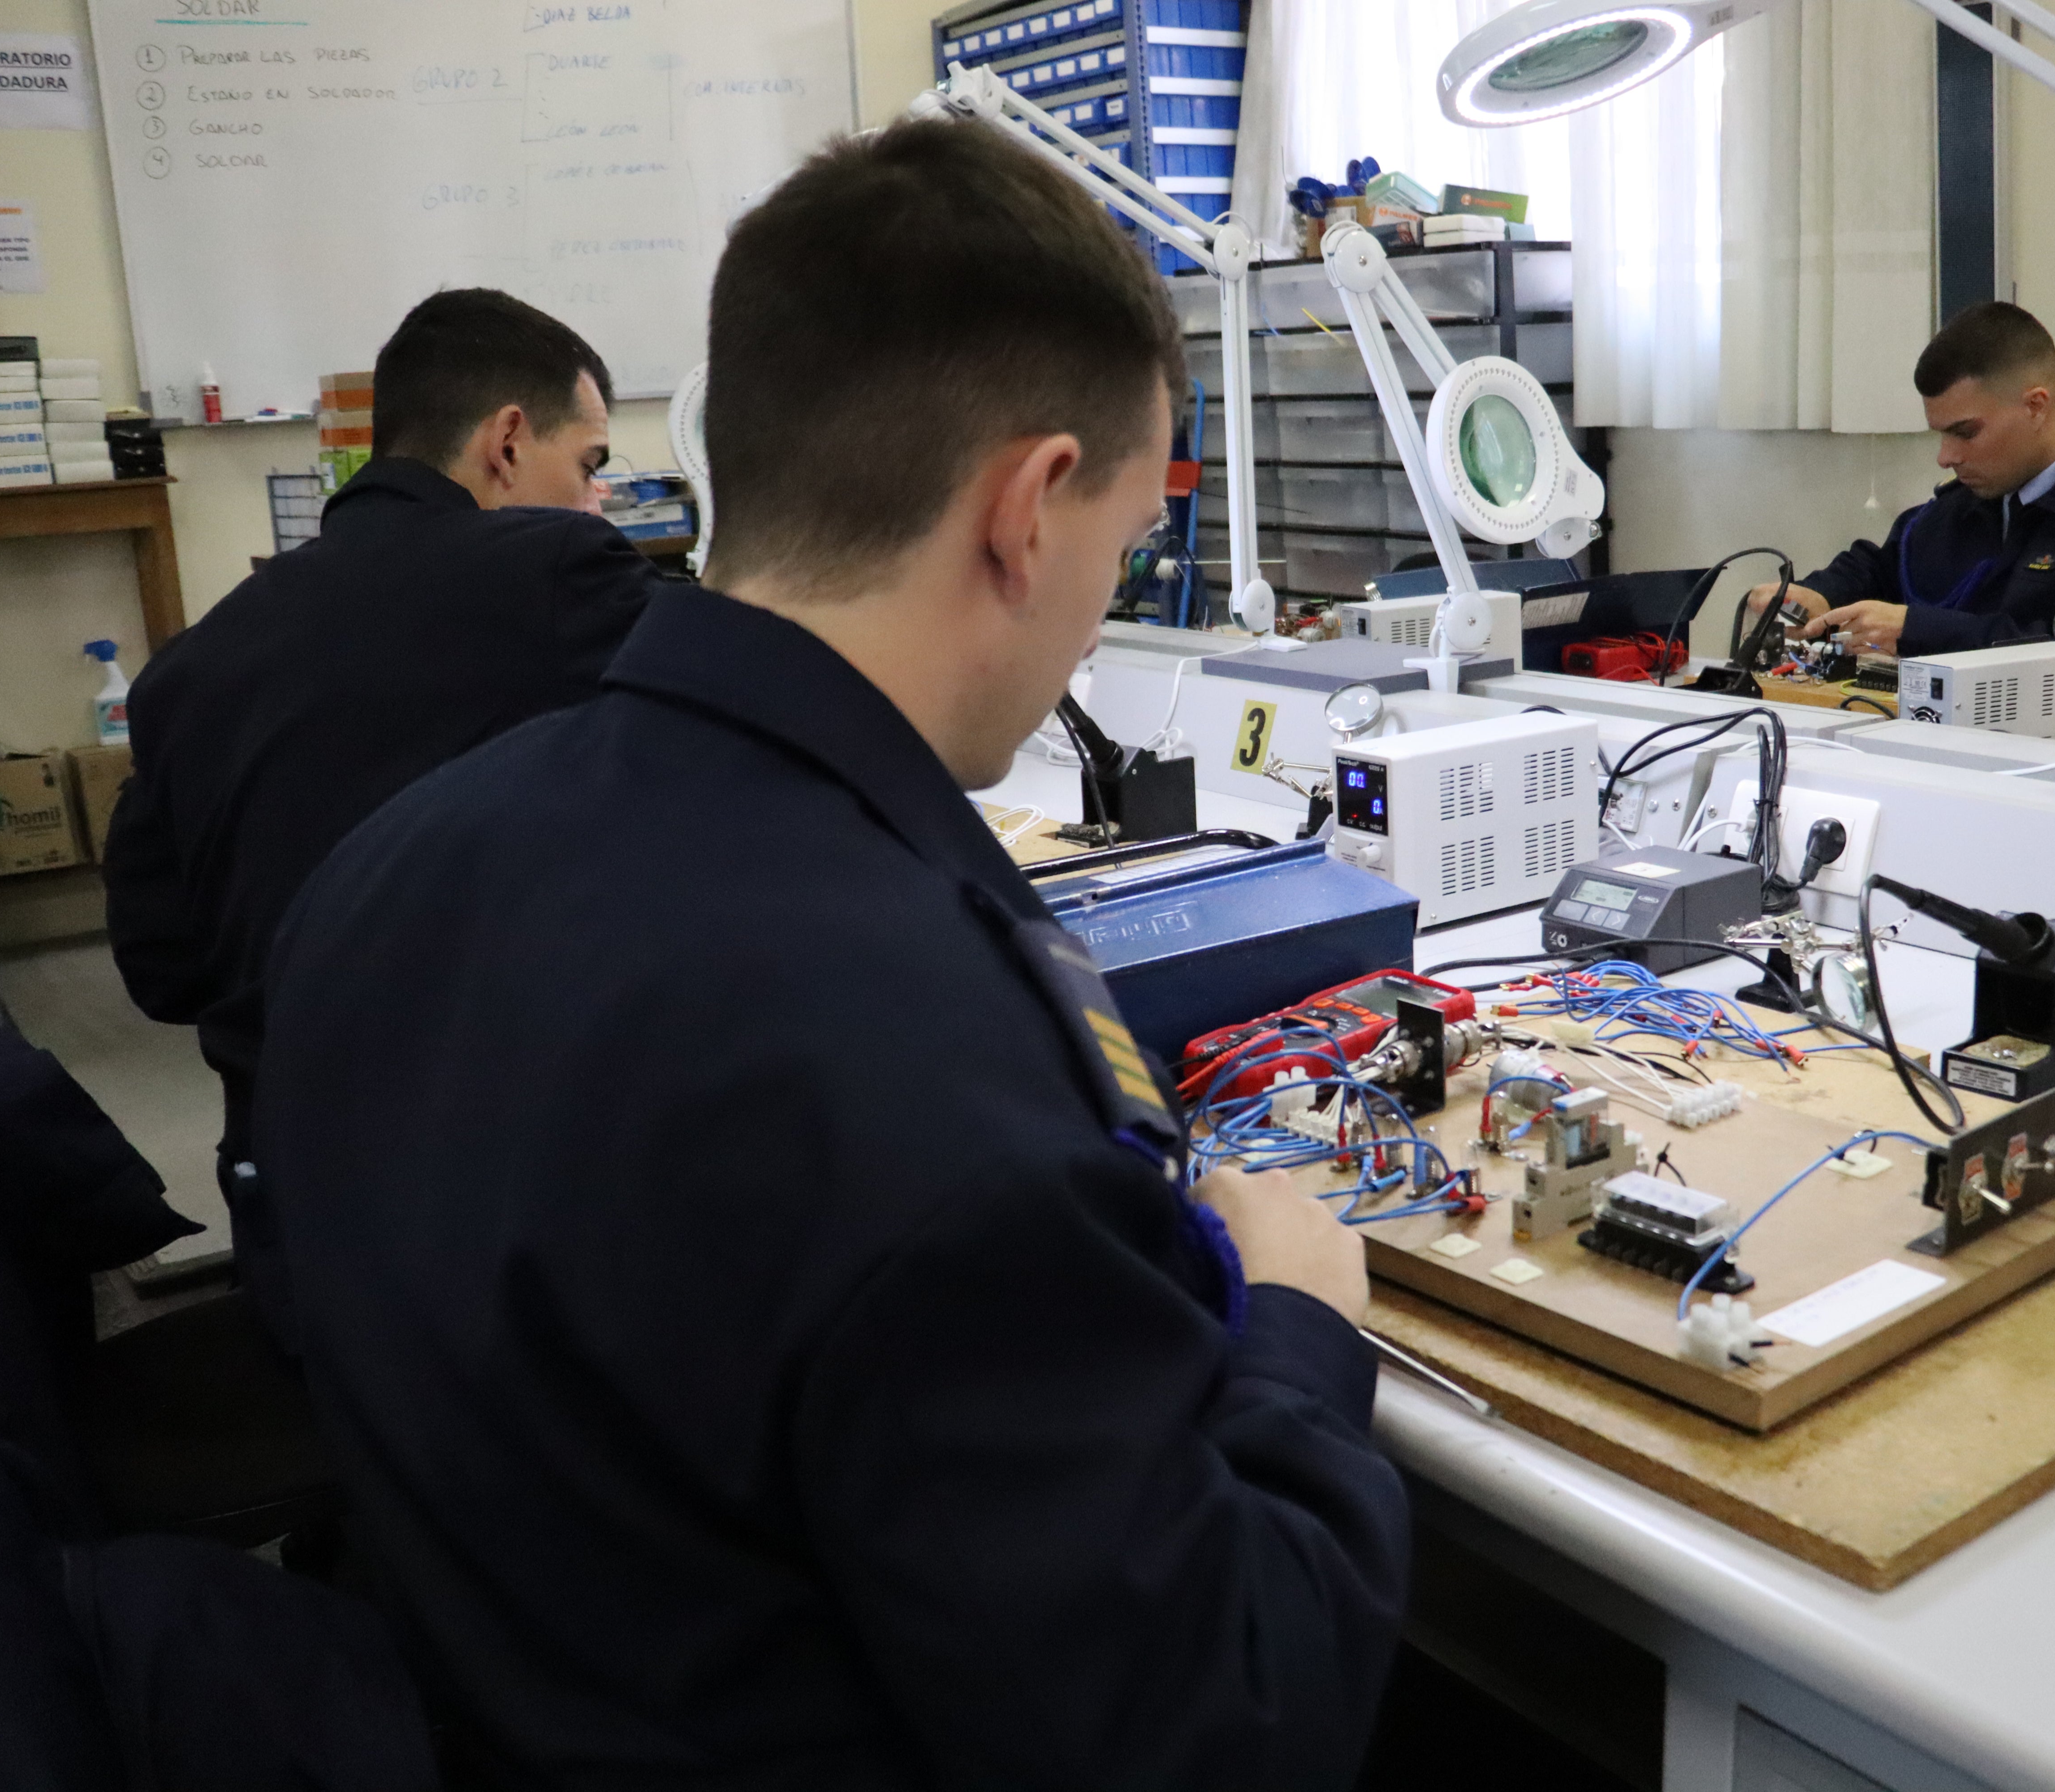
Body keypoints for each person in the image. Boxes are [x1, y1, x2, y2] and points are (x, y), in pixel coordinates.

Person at [253, 119, 1408, 1788]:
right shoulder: (924, 1071)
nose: (1106, 600)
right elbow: (1224, 1720)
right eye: (1128, 538)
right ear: (1025, 510)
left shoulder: (384, 870)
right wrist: (1303, 1329)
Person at [104, 288, 663, 1288]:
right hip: (512, 1221)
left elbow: (164, 970)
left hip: (293, 1226)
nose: (598, 503)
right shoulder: (555, 575)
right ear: (504, 443)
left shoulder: (189, 668)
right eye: (588, 467)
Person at [1741, 302, 2055, 699]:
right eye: (1942, 434)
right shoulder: (1978, 497)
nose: (1947, 457)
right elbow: (1888, 564)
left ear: (2035, 405)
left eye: (1965, 433)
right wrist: (1820, 595)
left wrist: (1916, 631)